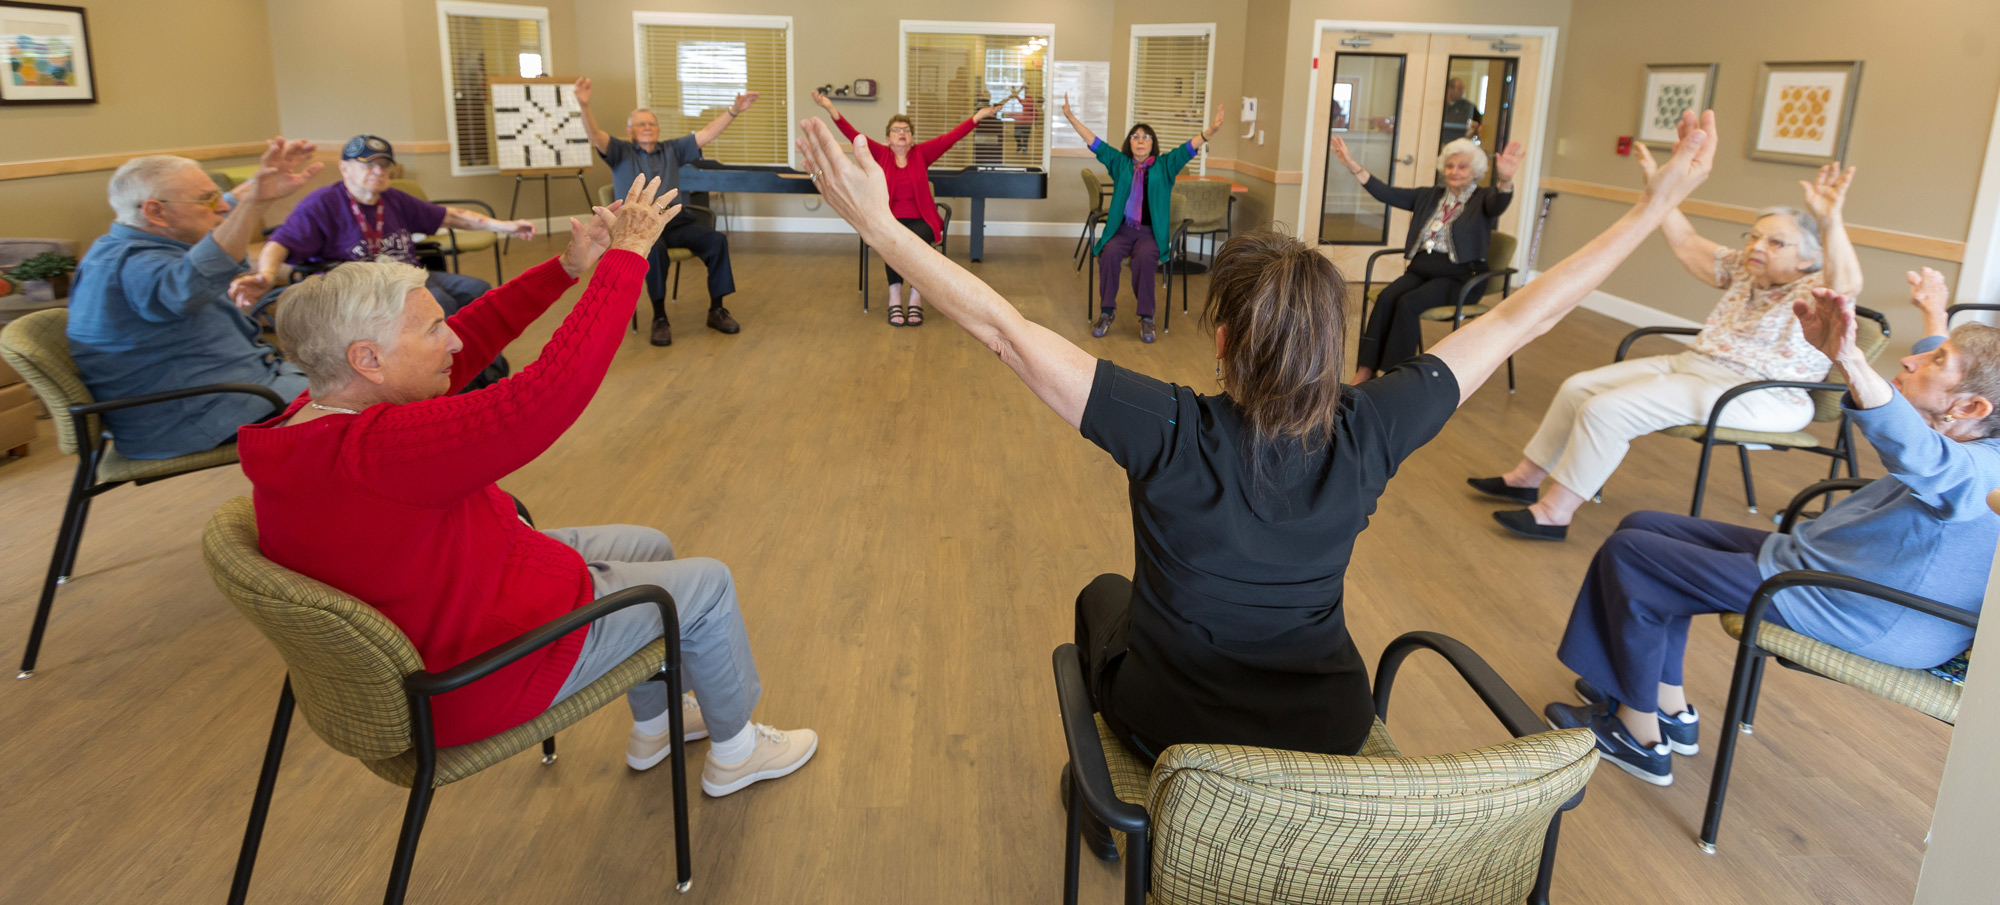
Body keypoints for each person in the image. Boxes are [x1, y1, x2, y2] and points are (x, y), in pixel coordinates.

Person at [799, 106, 1721, 847]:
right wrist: (1652, 209)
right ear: (1332, 345)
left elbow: (1004, 330)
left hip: (1178, 737)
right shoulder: (1373, 427)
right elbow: (1521, 319)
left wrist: (878, 224)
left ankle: (1101, 799)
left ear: (1225, 341)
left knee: (1097, 597)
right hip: (1330, 725)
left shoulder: (1170, 428)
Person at [238, 178, 816, 796]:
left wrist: (568, 267)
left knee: (648, 545)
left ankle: (657, 723)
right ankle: (738, 751)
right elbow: (543, 398)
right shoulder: (380, 452)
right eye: (433, 330)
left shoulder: (319, 409)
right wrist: (625, 259)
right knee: (708, 584)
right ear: (368, 359)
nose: (454, 339)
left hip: (459, 592)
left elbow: (472, 342)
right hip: (481, 671)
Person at [1544, 278, 2000, 786]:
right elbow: (1950, 376)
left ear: (1971, 409)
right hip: (1836, 567)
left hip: (1865, 608)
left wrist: (1848, 358)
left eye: (1937, 362)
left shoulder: (1982, 475)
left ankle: (1639, 736)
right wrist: (1934, 317)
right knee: (1643, 525)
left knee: (1633, 555)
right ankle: (1666, 705)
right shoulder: (1977, 423)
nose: (1914, 360)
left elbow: (1921, 453)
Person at [1470, 149, 1863, 540]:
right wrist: (1660, 191)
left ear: (1809, 260)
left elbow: (1847, 284)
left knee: (1607, 411)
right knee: (1579, 387)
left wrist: (1830, 221)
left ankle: (1553, 514)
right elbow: (1688, 242)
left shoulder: (1816, 290)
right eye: (1755, 237)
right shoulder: (1746, 270)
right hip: (1697, 366)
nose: (1758, 247)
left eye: (1777, 243)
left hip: (1763, 394)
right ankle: (1525, 479)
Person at [66, 141, 321, 460]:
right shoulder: (132, 265)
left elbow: (223, 205)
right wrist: (254, 203)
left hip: (235, 389)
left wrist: (259, 186)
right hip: (196, 415)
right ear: (155, 211)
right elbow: (187, 285)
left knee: (370, 387)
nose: (223, 208)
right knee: (375, 408)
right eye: (208, 199)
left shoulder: (127, 243)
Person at [238, 135, 535, 314]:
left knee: (479, 291)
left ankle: (480, 371)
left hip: (408, 276)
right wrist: (265, 275)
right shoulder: (323, 203)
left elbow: (451, 216)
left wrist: (506, 227)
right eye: (368, 164)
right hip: (362, 288)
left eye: (383, 164)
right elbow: (279, 242)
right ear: (344, 168)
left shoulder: (392, 198)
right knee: (439, 304)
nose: (377, 171)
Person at [575, 76, 757, 347]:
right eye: (641, 124)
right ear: (630, 130)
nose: (647, 127)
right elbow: (595, 135)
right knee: (655, 252)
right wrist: (584, 106)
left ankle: (716, 309)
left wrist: (733, 111)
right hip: (638, 228)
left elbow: (707, 132)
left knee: (716, 241)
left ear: (658, 129)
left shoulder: (673, 149)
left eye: (651, 123)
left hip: (675, 222)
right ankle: (660, 317)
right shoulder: (619, 152)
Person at [1329, 135, 1523, 381]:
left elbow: (1499, 203)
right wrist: (1352, 165)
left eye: (1462, 166)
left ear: (1475, 171)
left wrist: (1505, 180)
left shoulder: (1484, 199)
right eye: (1450, 166)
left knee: (1408, 303)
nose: (1454, 171)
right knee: (1387, 298)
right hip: (1422, 271)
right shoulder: (1431, 195)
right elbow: (1386, 193)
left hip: (1461, 277)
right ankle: (1365, 370)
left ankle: (1394, 379)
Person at [811, 89, 999, 326]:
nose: (902, 133)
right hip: (889, 219)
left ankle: (916, 297)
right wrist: (830, 109)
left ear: (912, 137)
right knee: (893, 238)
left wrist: (977, 118)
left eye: (906, 130)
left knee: (910, 240)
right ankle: (895, 296)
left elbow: (951, 138)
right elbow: (853, 135)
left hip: (923, 220)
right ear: (888, 138)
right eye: (896, 130)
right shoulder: (880, 154)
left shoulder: (922, 153)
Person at [1061, 95, 1225, 343]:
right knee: (1108, 255)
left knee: (1144, 261)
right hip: (1122, 230)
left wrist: (1210, 131)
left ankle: (1147, 318)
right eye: (1135, 136)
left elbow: (1188, 148)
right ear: (1129, 143)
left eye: (1146, 136)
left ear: (1152, 143)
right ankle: (1106, 312)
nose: (1140, 140)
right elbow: (1094, 142)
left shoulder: (1165, 165)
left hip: (1150, 233)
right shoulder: (1119, 163)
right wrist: (1071, 118)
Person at [1439, 77, 1481, 147]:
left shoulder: (1468, 106)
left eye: (1462, 89)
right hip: (1441, 143)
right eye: (1459, 89)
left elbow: (1481, 123)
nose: (1462, 92)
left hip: (1460, 145)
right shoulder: (1440, 106)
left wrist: (1474, 131)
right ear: (1450, 89)